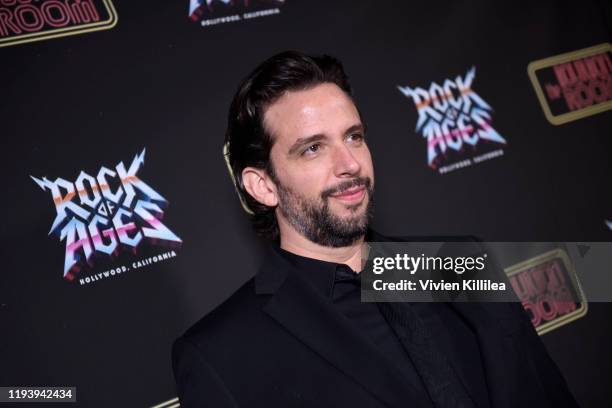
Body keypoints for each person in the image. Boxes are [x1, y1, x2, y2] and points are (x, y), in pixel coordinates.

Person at [172, 50, 579, 407]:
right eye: (313, 148)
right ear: (263, 186)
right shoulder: (221, 354)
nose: (349, 163)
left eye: (354, 137)